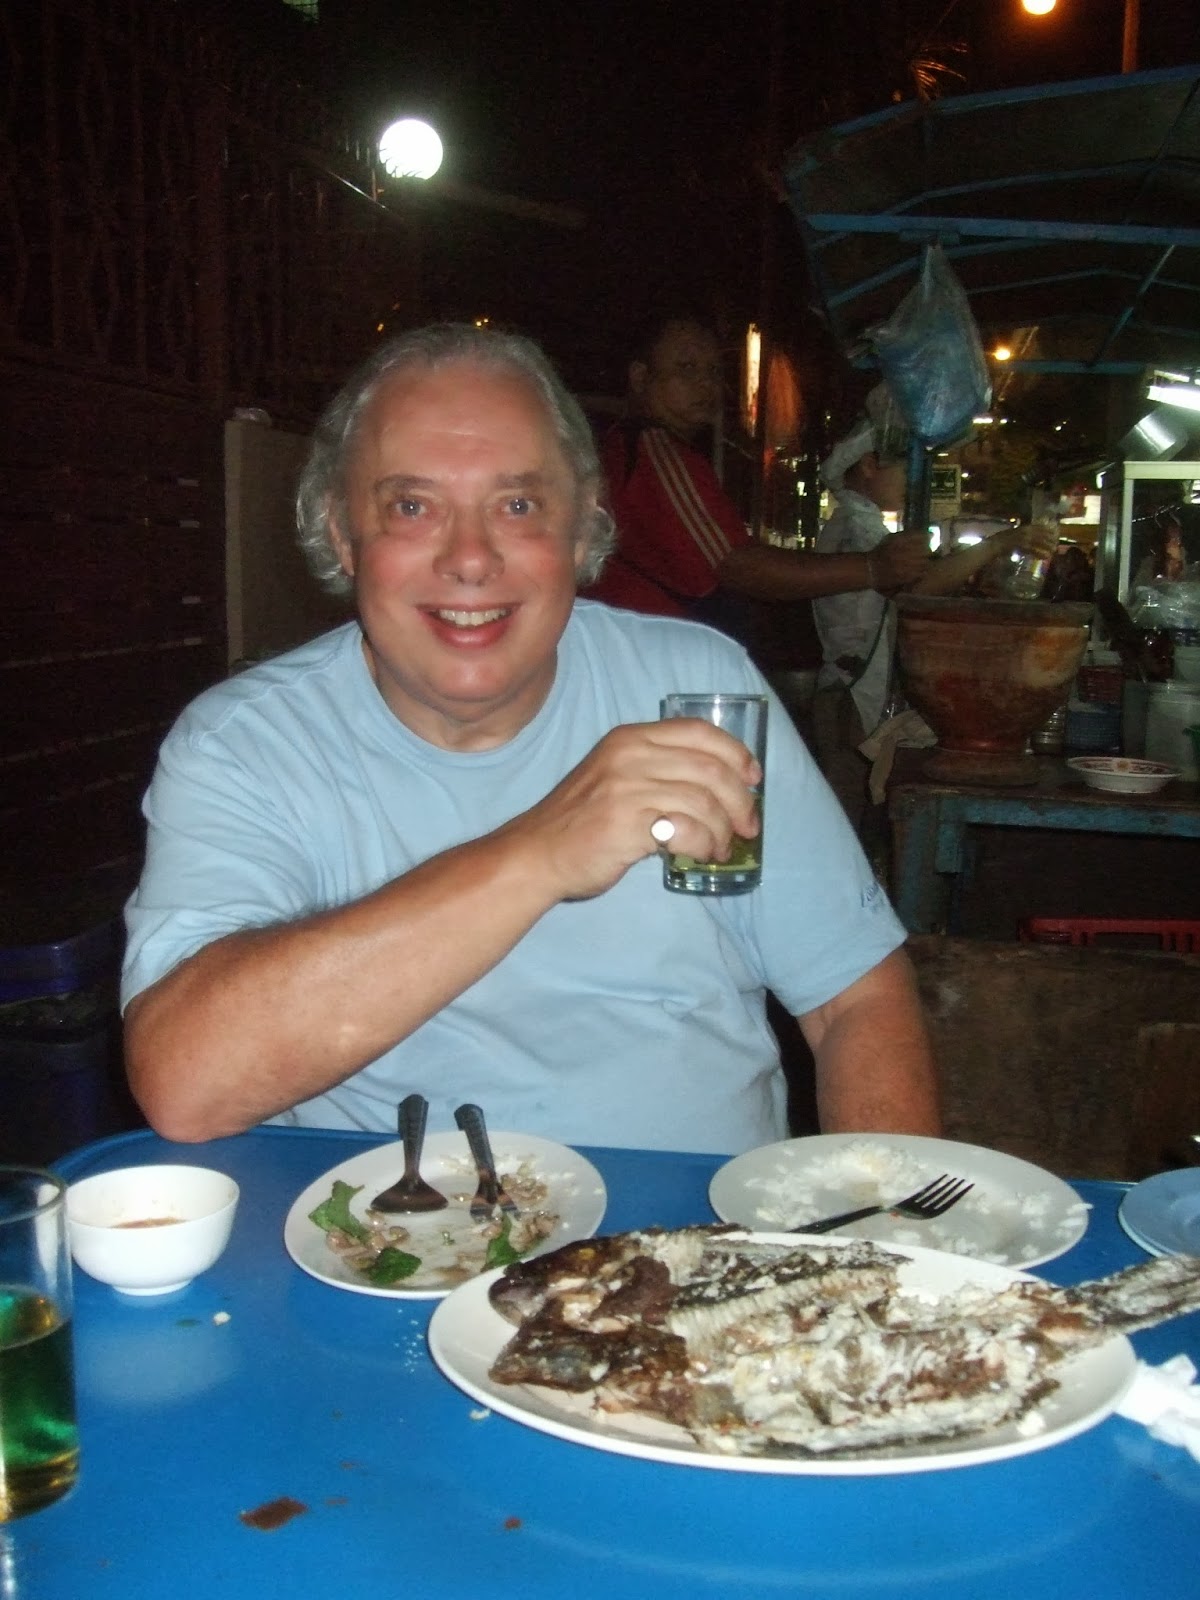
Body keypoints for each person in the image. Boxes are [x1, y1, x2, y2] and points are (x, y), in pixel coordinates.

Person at [121, 322, 940, 1154]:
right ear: (341, 532)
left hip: (700, 1219)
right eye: (412, 507)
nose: (471, 559)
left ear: (582, 528)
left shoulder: (696, 691)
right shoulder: (246, 745)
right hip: (389, 1229)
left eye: (517, 506)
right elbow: (187, 1088)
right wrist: (540, 853)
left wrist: (888, 1221)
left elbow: (856, 998)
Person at [583, 313, 933, 636]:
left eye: (714, 371)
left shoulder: (642, 449)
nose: (705, 384)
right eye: (686, 368)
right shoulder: (656, 452)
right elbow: (738, 565)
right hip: (656, 655)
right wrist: (872, 568)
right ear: (641, 377)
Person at [812, 409, 1061, 834]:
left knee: (854, 813)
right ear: (869, 465)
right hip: (851, 695)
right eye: (904, 468)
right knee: (846, 817)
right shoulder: (855, 526)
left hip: (854, 688)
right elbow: (917, 587)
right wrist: (1000, 542)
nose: (912, 481)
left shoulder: (860, 523)